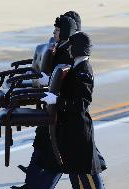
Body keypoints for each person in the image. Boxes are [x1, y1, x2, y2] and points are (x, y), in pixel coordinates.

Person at [11, 15, 78, 189]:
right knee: (42, 142)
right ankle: (31, 183)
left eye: (56, 31)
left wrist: (47, 82)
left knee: (63, 156)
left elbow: (64, 83)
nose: (53, 33)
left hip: (62, 112)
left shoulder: (68, 53)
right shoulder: (61, 48)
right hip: (54, 107)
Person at [40, 31, 106, 189]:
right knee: (76, 176)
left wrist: (57, 101)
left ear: (78, 49)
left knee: (89, 179)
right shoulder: (77, 67)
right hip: (72, 130)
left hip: (79, 132)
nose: (69, 50)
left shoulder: (84, 71)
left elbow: (81, 104)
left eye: (71, 47)